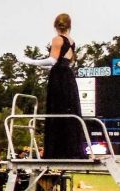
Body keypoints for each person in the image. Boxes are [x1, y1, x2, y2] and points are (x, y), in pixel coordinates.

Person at [18, 13, 86, 160]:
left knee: (57, 109)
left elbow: (53, 60)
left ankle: (57, 151)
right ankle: (71, 150)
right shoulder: (71, 41)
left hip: (59, 78)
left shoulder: (57, 39)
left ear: (56, 26)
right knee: (68, 110)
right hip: (68, 76)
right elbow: (63, 62)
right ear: (69, 25)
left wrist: (30, 61)